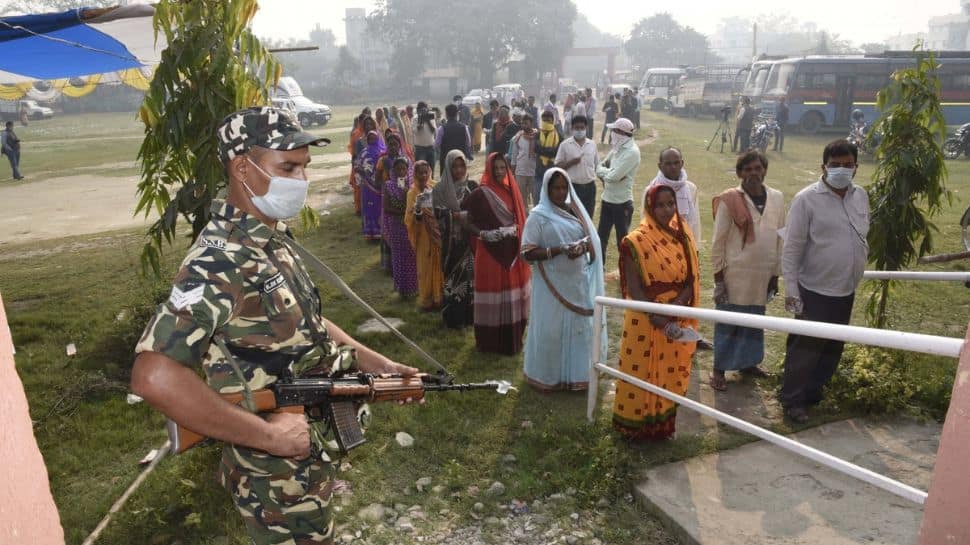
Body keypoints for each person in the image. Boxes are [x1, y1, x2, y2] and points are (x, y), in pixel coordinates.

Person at [130, 106, 418, 544]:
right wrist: (269, 437)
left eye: (304, 166)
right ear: (242, 169)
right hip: (275, 483)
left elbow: (309, 323)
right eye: (287, 168)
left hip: (303, 468)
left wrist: (381, 366)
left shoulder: (267, 239)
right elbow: (153, 375)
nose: (300, 180)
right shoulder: (220, 261)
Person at [780, 139, 869, 423]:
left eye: (847, 165)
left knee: (832, 347)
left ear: (856, 167)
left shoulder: (861, 196)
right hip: (814, 290)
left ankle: (813, 392)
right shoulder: (806, 200)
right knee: (805, 349)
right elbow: (792, 249)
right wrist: (792, 291)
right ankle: (792, 400)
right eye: (835, 165)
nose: (841, 170)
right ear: (823, 167)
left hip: (845, 289)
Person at [612, 184, 700, 440]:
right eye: (660, 205)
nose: (666, 210)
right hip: (645, 318)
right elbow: (635, 289)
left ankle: (662, 427)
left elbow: (690, 279)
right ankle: (634, 430)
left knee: (668, 373)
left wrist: (676, 307)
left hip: (675, 315)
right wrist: (659, 318)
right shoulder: (635, 241)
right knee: (639, 372)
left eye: (670, 204)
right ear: (649, 207)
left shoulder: (682, 234)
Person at [521, 168, 605, 391]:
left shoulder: (574, 212)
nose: (560, 192)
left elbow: (591, 243)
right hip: (551, 286)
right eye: (555, 188)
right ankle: (548, 376)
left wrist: (582, 248)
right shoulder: (538, 216)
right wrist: (559, 250)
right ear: (546, 189)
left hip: (576, 282)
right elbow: (527, 253)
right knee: (551, 330)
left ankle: (577, 377)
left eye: (563, 188)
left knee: (579, 330)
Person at [709, 150, 786, 391]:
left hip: (763, 274)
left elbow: (780, 237)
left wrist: (775, 274)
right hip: (735, 273)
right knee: (728, 320)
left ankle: (748, 363)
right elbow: (718, 241)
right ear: (740, 173)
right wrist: (719, 279)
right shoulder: (729, 199)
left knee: (755, 319)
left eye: (758, 168)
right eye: (748, 169)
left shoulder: (777, 197)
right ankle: (718, 369)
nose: (754, 173)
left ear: (765, 170)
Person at [460, 153, 531, 355]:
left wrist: (514, 229)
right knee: (492, 294)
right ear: (489, 169)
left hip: (511, 253)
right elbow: (465, 220)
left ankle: (510, 340)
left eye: (502, 168)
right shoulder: (480, 193)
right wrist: (483, 234)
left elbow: (521, 219)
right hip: (489, 253)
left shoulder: (511, 192)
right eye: (495, 168)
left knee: (509, 294)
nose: (499, 172)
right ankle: (489, 342)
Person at [432, 150, 479, 328]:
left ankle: (468, 317)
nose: (459, 170)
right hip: (450, 244)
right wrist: (456, 216)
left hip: (468, 243)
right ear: (448, 167)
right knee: (452, 280)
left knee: (468, 280)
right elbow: (437, 213)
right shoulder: (439, 189)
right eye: (454, 166)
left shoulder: (472, 187)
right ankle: (452, 318)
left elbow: (479, 212)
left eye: (462, 166)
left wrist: (466, 217)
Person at [595, 117, 641, 264]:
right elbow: (599, 167)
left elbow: (614, 177)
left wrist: (609, 173)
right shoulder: (617, 148)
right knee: (601, 237)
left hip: (622, 203)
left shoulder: (632, 152)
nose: (611, 133)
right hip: (607, 199)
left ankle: (626, 272)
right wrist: (609, 172)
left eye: (614, 130)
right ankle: (599, 269)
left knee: (622, 241)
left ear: (621, 133)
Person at [405, 160, 443, 311]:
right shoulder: (412, 193)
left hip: (437, 232)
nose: (423, 176)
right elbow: (409, 219)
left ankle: (439, 297)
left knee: (439, 263)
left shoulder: (435, 187)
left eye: (426, 172)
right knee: (425, 265)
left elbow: (442, 208)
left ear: (430, 172)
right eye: (420, 173)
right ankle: (427, 299)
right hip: (422, 235)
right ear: (414, 174)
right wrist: (418, 209)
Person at [644, 147, 701, 244]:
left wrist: (695, 245)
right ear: (660, 166)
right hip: (659, 243)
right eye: (668, 164)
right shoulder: (650, 190)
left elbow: (695, 221)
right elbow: (646, 220)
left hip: (685, 242)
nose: (673, 167)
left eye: (676, 162)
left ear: (682, 163)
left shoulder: (691, 188)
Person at [382, 155, 418, 297]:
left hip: (410, 227)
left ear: (408, 170)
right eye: (398, 169)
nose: (401, 172)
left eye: (404, 169)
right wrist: (404, 212)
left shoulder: (413, 186)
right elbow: (387, 208)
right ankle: (402, 288)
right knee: (399, 257)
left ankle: (414, 287)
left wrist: (406, 194)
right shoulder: (388, 186)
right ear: (393, 171)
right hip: (397, 227)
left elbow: (416, 206)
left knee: (412, 256)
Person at [554, 115, 598, 217]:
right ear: (572, 128)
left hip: (590, 187)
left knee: (588, 217)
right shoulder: (565, 145)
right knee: (572, 217)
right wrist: (572, 162)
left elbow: (597, 165)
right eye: (576, 128)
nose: (579, 130)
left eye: (582, 128)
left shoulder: (592, 144)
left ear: (586, 128)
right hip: (572, 187)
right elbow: (557, 166)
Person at [355, 130, 386, 241]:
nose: (372, 140)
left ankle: (380, 232)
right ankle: (369, 232)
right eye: (369, 138)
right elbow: (357, 165)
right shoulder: (363, 152)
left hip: (379, 187)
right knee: (368, 208)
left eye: (374, 138)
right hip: (367, 187)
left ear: (378, 139)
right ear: (367, 140)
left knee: (378, 208)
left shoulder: (382, 152)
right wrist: (360, 172)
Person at [509, 113, 538, 210]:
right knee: (522, 199)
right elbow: (514, 156)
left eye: (526, 123)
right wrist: (513, 172)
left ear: (531, 123)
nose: (524, 125)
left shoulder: (538, 136)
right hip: (520, 171)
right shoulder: (518, 137)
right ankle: (524, 216)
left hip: (534, 172)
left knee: (536, 198)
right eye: (522, 123)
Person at [435, 104, 472, 178]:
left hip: (446, 159)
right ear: (457, 114)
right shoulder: (464, 127)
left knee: (446, 180)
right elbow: (468, 143)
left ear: (446, 114)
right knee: (460, 179)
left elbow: (436, 144)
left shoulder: (441, 128)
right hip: (460, 159)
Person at [534, 109, 561, 205]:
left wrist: (543, 150)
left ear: (553, 121)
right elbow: (536, 148)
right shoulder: (537, 134)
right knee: (538, 199)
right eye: (544, 120)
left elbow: (556, 152)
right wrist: (549, 151)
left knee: (552, 201)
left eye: (548, 120)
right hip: (539, 172)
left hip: (553, 173)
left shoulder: (559, 135)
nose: (546, 123)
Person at [412, 102, 437, 168]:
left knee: (431, 168)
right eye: (422, 110)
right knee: (420, 168)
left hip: (431, 147)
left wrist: (428, 121)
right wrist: (421, 122)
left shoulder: (431, 117)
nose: (424, 112)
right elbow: (415, 132)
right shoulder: (415, 119)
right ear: (418, 110)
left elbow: (434, 131)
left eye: (425, 110)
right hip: (420, 148)